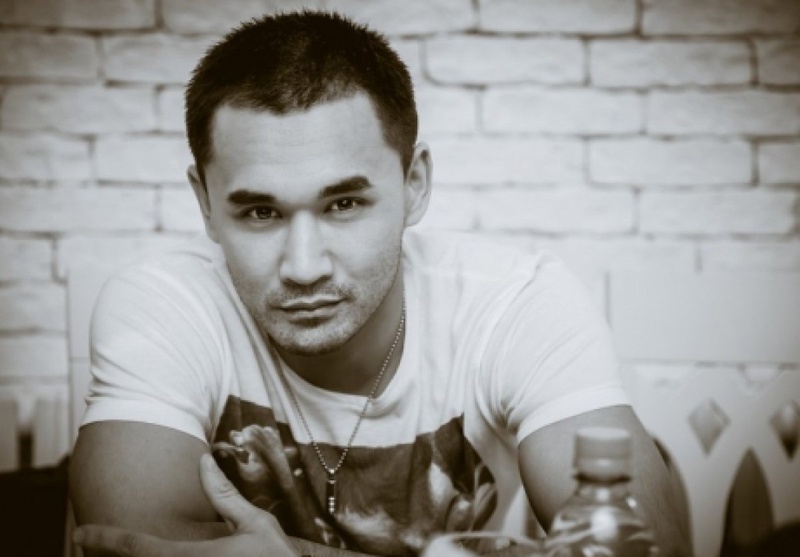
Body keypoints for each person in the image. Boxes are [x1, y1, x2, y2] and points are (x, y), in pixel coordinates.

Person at [69, 10, 689, 557]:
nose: (304, 267)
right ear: (205, 202)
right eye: (260, 212)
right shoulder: (165, 304)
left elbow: (651, 547)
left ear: (414, 184)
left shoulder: (516, 304)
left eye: (343, 204)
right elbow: (133, 543)